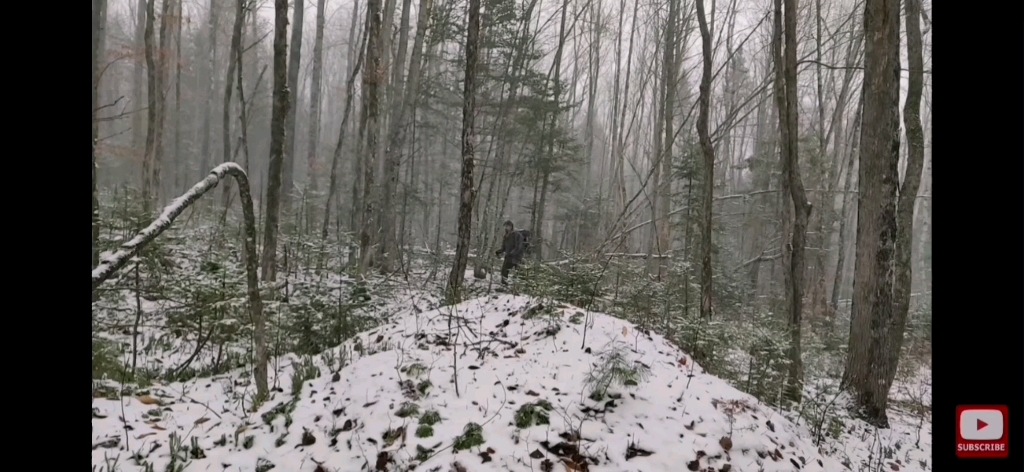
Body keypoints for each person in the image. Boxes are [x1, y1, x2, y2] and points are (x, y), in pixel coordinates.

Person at [495, 221, 525, 285]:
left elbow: (519, 246)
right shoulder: (506, 236)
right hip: (509, 256)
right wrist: (498, 251)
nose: (506, 228)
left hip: (516, 257)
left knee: (518, 273)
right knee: (504, 271)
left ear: (511, 227)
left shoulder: (516, 235)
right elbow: (504, 248)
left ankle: (517, 287)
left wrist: (512, 253)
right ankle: (504, 285)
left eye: (507, 226)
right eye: (505, 226)